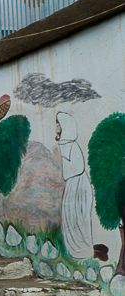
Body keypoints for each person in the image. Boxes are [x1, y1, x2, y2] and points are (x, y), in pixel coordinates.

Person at [56, 111, 94, 259]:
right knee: (69, 217)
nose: (56, 128)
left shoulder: (73, 146)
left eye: (58, 125)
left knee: (78, 218)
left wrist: (60, 161)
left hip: (78, 185)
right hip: (71, 185)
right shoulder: (63, 145)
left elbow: (78, 168)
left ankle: (83, 250)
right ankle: (73, 250)